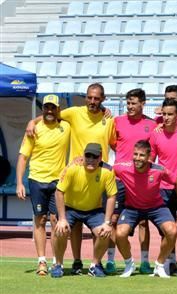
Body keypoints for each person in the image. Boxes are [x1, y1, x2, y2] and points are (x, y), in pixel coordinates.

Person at [25, 83, 116, 275]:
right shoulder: (74, 112)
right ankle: (75, 261)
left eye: (97, 98)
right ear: (86, 98)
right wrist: (32, 122)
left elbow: (116, 143)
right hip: (76, 174)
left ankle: (96, 263)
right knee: (71, 224)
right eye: (90, 97)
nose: (92, 101)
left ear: (103, 99)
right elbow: (51, 115)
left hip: (99, 176)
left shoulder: (109, 119)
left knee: (97, 224)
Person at [114, 140, 177, 278]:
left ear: (149, 157)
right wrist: (79, 160)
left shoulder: (158, 170)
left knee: (172, 231)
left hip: (156, 207)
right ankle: (129, 264)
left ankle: (159, 265)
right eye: (135, 154)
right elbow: (104, 168)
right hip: (132, 208)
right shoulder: (123, 168)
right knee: (120, 234)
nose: (137, 158)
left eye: (141, 155)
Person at [17, 94, 70, 276]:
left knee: (56, 221)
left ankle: (57, 262)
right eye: (46, 107)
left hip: (58, 182)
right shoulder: (34, 129)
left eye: (52, 107)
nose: (49, 111)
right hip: (37, 179)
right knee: (40, 220)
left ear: (58, 109)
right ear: (43, 109)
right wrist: (19, 183)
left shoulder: (66, 126)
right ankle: (41, 261)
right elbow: (23, 157)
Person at [53, 143, 117, 278]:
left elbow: (112, 196)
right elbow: (59, 192)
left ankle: (94, 265)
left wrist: (107, 222)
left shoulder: (108, 171)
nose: (91, 159)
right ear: (83, 156)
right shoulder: (72, 168)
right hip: (70, 208)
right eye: (88, 156)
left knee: (105, 232)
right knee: (60, 230)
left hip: (94, 210)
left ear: (100, 158)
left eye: (95, 156)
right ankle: (58, 264)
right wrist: (62, 218)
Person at [112, 88, 156, 274]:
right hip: (120, 178)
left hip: (142, 180)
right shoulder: (117, 121)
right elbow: (112, 142)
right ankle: (110, 259)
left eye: (134, 103)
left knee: (143, 222)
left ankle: (145, 261)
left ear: (143, 103)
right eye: (128, 103)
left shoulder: (152, 125)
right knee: (113, 219)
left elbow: (153, 150)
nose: (130, 107)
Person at [150, 99, 177, 277]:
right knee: (167, 228)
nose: (166, 118)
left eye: (170, 114)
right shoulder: (156, 134)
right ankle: (169, 262)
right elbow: (150, 161)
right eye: (164, 114)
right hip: (163, 187)